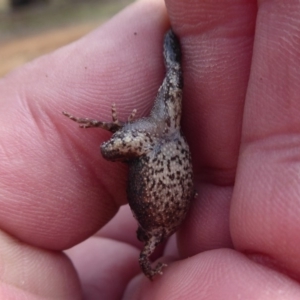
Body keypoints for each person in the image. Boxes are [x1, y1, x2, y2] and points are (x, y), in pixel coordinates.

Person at [1, 0, 300, 298]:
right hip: (163, 140)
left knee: (173, 79)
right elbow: (147, 255)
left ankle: (168, 47)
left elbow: (146, 256)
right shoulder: (159, 230)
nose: (142, 237)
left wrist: (152, 266)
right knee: (173, 79)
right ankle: (169, 47)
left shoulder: (157, 230)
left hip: (159, 142)